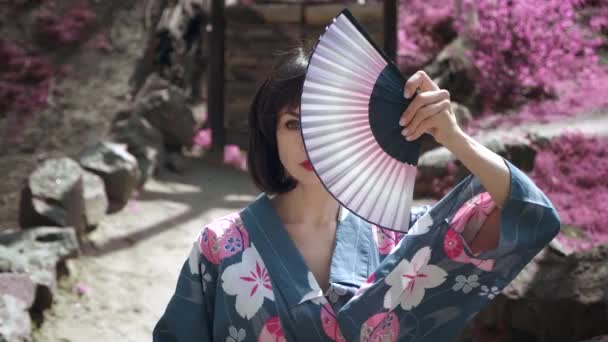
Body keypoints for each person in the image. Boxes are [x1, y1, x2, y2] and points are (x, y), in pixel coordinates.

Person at [152, 46, 560, 341]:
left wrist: (453, 138)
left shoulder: (402, 234)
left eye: (325, 125)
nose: (310, 141)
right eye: (293, 124)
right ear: (270, 135)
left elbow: (526, 212)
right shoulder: (221, 246)